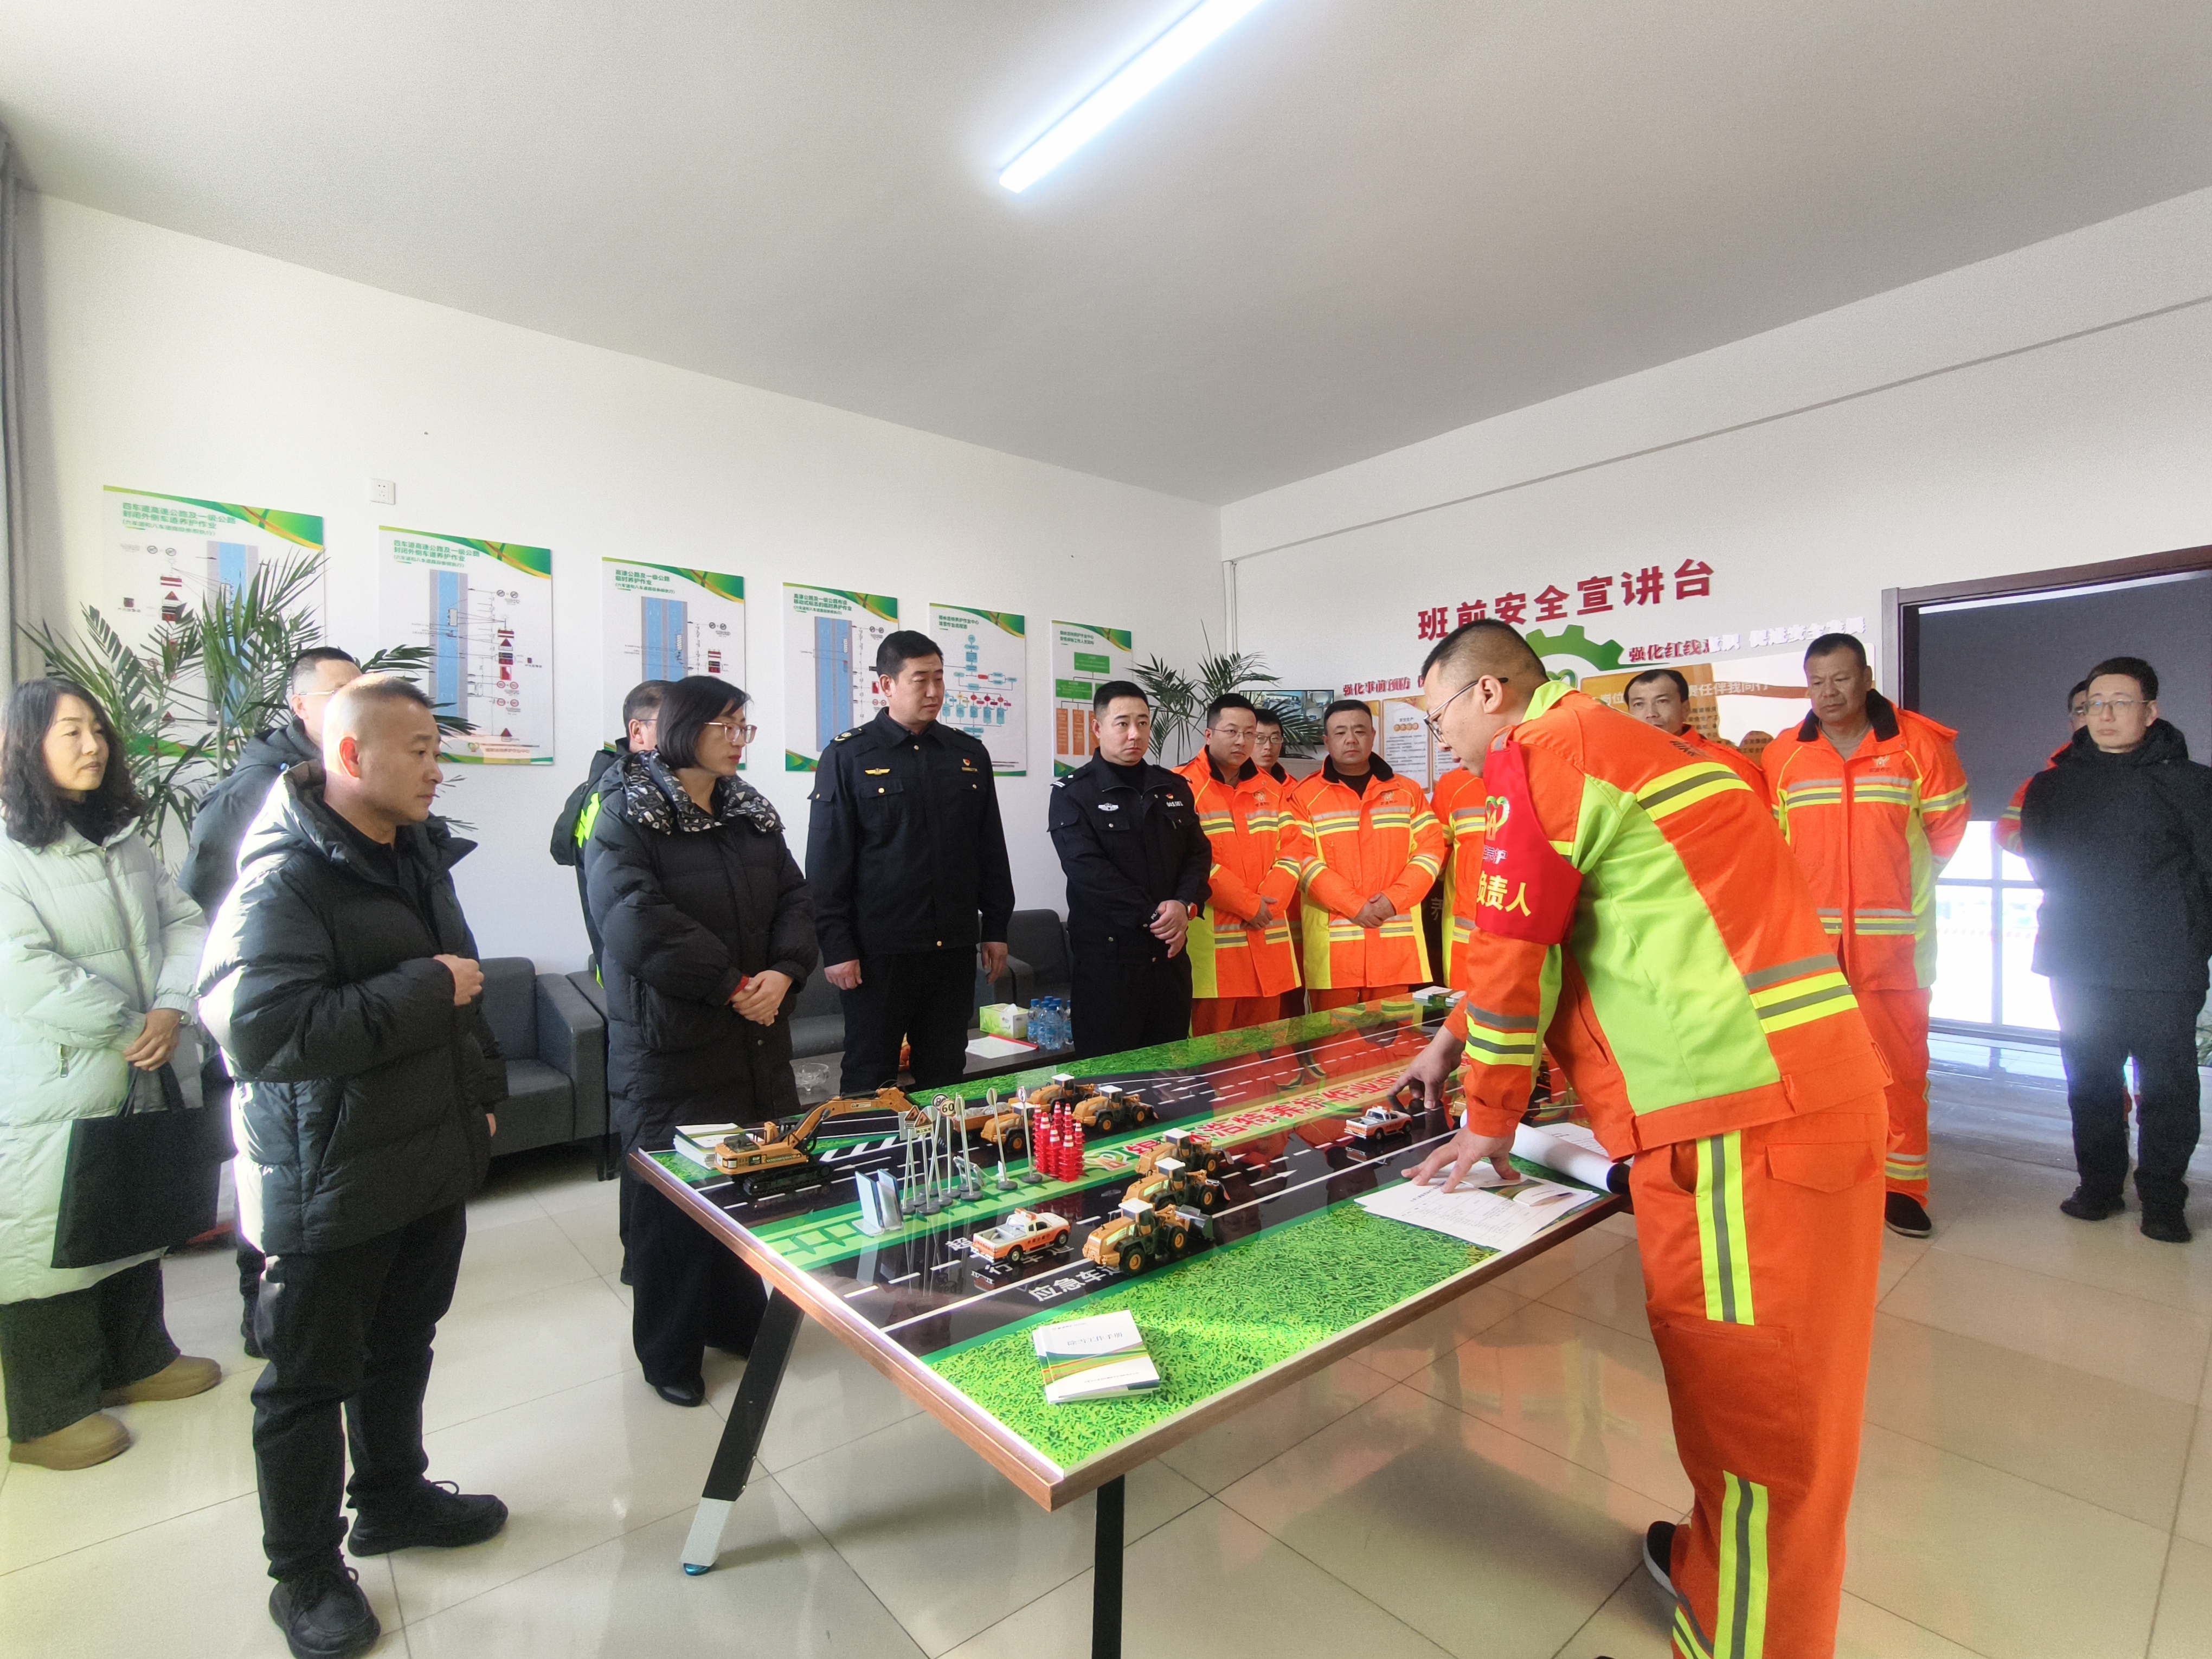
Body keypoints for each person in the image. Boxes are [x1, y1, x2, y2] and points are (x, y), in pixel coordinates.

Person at [1398, 620, 1889, 1659]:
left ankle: (1744, 1639)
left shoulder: (1543, 753)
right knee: (1742, 1393)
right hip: (1779, 1098)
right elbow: (1567, 922)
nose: (1440, 742)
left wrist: (1488, 1118)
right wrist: (1450, 1040)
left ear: (1488, 694)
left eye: (1437, 717)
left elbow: (1514, 943)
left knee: (1758, 1419)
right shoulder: (1627, 747)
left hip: (1734, 1119)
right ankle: (1711, 1567)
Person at [198, 675, 507, 1659]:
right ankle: (304, 1574)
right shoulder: (285, 874)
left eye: (435, 749)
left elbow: (466, 986)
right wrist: (422, 990)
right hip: (326, 1173)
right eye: (418, 750)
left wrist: (482, 1089)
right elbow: (260, 1028)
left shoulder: (416, 854)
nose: (436, 768)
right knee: (305, 1381)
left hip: (423, 1149)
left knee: (403, 1340)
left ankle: (392, 1496)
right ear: (348, 756)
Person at [0, 678, 218, 1472]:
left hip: (139, 1064)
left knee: (130, 1210)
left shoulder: (121, 838)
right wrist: (133, 1027)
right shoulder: (10, 850)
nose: (92, 745)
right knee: (48, 1240)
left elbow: (185, 921)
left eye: (97, 729)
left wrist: (172, 1006)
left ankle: (138, 1360)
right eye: (71, 732)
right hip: (56, 1079)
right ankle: (48, 1414)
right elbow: (24, 970)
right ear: (27, 746)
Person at [586, 676, 816, 1405]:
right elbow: (633, 918)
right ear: (684, 727)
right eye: (727, 725)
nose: (739, 740)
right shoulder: (625, 811)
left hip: (752, 1039)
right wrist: (731, 984)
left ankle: (735, 1320)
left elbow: (796, 898)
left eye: (745, 726)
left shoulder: (750, 811)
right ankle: (669, 1354)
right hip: (672, 1045)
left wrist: (783, 972)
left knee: (742, 1186)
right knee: (674, 1208)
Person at [179, 645, 362, 1361]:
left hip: (335, 1016)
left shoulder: (344, 779)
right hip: (275, 1015)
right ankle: (266, 1321)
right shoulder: (257, 789)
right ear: (300, 705)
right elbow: (209, 905)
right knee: (276, 1176)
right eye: (338, 691)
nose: (352, 701)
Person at [1762, 633, 1968, 1239]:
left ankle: (1902, 1187)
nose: (1828, 693)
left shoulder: (1919, 746)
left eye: (1841, 678)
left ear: (1867, 677)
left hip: (1894, 948)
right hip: (1809, 951)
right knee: (1814, 1073)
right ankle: (1825, 1175)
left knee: (1901, 1071)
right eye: (1817, 682)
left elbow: (1946, 833)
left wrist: (1897, 887)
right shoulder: (1784, 756)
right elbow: (1775, 848)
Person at [2020, 657, 2212, 1244]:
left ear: (2150, 712)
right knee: (2091, 1082)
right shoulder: (2053, 786)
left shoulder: (2193, 784)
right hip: (2079, 959)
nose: (2104, 714)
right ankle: (2099, 1186)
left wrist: (2189, 935)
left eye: (2121, 702)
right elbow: (2042, 861)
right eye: (2094, 704)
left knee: (2168, 1087)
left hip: (2164, 963)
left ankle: (2163, 1198)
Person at [805, 631, 1013, 1092]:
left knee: (946, 1070)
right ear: (886, 685)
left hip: (952, 947)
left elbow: (990, 848)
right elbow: (826, 862)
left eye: (940, 678)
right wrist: (836, 946)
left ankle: (942, 1144)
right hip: (880, 951)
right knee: (869, 1073)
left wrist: (997, 927)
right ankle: (869, 1144)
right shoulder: (847, 755)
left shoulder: (968, 754)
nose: (934, 691)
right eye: (921, 680)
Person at [1049, 681, 1210, 1058]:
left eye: (1142, 722)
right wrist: (1157, 917)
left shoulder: (1174, 787)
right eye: (1122, 723)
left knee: (1170, 1071)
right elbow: (1088, 871)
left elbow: (1198, 855)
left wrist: (1184, 904)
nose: (1134, 734)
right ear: (1098, 727)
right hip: (1109, 964)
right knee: (1109, 1077)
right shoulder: (1073, 793)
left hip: (1168, 960)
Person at [1286, 699, 1444, 1009]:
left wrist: (1394, 899)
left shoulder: (1408, 792)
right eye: (1340, 732)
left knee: (1393, 1034)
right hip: (1334, 952)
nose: (1351, 739)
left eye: (1359, 731)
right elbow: (1302, 862)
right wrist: (1354, 905)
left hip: (1394, 944)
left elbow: (1431, 852)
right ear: (1327, 740)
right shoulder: (1303, 797)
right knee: (1334, 1036)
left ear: (1373, 736)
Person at [1174, 693, 1307, 1033]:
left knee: (1265, 1053)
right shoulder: (1180, 787)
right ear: (1209, 734)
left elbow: (1294, 851)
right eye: (1232, 731)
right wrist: (1249, 905)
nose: (1242, 741)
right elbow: (1188, 859)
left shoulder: (1272, 789)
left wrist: (1269, 906)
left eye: (1250, 733)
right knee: (1210, 1054)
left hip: (1268, 943)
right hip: (1215, 955)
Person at [551, 680, 667, 968]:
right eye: (674, 726)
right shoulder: (614, 795)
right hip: (634, 966)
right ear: (637, 731)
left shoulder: (655, 786)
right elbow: (626, 900)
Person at [1622, 667, 1769, 802]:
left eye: (1662, 701)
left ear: (1685, 708)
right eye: (1639, 704)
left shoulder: (1728, 766)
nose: (1651, 713)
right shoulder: (1621, 765)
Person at [1995, 680, 2088, 857]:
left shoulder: (2141, 772)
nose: (2096, 717)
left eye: (2100, 706)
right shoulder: (2044, 782)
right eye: (2082, 711)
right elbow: (2006, 829)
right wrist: (2046, 857)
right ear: (2071, 723)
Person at [1427, 760, 1487, 991]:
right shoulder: (1454, 785)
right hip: (1464, 935)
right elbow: (1433, 852)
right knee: (1461, 1006)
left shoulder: (1541, 778)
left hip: (1524, 933)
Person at [1252, 706, 1291, 784]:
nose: (1268, 747)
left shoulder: (1291, 786)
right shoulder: (1232, 785)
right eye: (1260, 738)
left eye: (1275, 738)